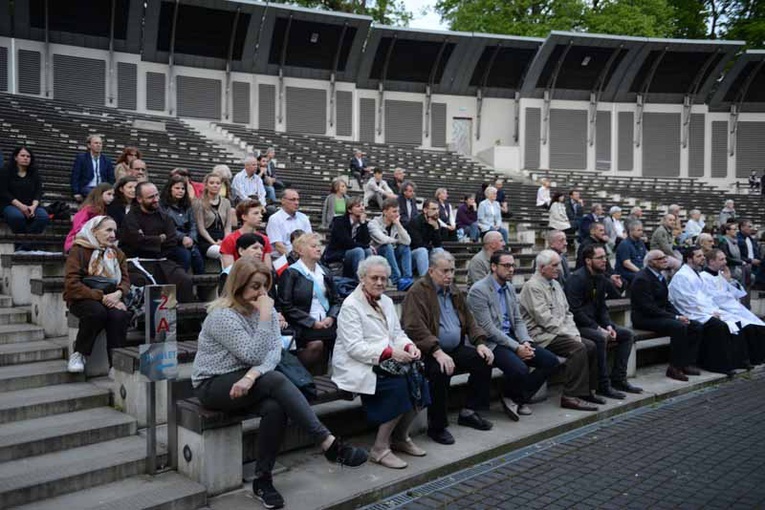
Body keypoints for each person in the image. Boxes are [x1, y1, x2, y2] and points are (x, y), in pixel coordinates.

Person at [191, 257, 367, 509]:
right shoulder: (223, 316)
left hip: (250, 381)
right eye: (255, 287)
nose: (262, 293)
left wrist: (252, 376)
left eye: (265, 286)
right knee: (273, 379)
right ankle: (328, 443)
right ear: (238, 286)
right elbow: (252, 354)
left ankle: (263, 480)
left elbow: (274, 352)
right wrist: (265, 317)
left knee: (275, 407)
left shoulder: (267, 310)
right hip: (214, 384)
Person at [332, 256, 429, 469]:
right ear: (362, 278)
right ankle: (379, 448)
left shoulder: (385, 301)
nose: (379, 283)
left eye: (384, 279)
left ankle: (401, 437)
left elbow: (397, 332)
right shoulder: (350, 306)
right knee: (399, 386)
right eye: (374, 278)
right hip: (357, 363)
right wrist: (389, 352)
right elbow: (355, 348)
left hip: (384, 358)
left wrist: (408, 346)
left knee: (419, 380)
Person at [402, 251, 494, 446]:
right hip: (427, 351)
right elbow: (413, 327)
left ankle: (470, 411)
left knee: (483, 360)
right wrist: (437, 351)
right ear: (431, 271)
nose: (449, 275)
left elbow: (470, 320)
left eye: (452, 270)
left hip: (454, 348)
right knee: (440, 370)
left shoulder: (453, 290)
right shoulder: (418, 292)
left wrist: (480, 342)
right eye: (445, 271)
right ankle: (437, 427)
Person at [467, 251, 560, 419]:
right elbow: (488, 328)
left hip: (511, 337)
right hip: (490, 342)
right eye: (507, 266)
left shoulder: (508, 287)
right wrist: (517, 347)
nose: (511, 269)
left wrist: (525, 341)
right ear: (494, 267)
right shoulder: (478, 290)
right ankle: (515, 398)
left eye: (513, 265)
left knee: (550, 361)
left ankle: (515, 398)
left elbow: (517, 320)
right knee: (520, 368)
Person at [519, 250, 601, 412]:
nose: (559, 269)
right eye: (554, 265)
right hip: (541, 335)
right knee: (578, 348)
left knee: (591, 345)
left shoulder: (555, 284)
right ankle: (570, 396)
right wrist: (570, 335)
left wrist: (574, 333)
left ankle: (586, 392)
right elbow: (544, 319)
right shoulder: (532, 286)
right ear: (542, 268)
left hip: (559, 333)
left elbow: (567, 313)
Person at [566, 245, 642, 399]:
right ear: (588, 260)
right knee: (600, 338)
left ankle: (619, 379)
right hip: (577, 326)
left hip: (596, 324)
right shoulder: (577, 279)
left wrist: (608, 325)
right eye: (600, 258)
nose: (604, 261)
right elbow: (574, 311)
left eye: (605, 257)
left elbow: (602, 307)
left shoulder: (601, 277)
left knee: (627, 334)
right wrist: (598, 328)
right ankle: (602, 385)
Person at [63, 216, 130, 373]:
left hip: (111, 298)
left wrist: (119, 294)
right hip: (83, 298)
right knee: (96, 312)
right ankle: (79, 354)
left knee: (119, 316)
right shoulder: (78, 250)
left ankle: (116, 364)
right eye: (108, 230)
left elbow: (126, 281)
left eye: (114, 230)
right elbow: (72, 284)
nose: (113, 235)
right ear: (94, 231)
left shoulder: (117, 253)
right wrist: (101, 297)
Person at [668, 247, 748, 375]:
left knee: (733, 320)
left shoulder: (695, 273)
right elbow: (687, 301)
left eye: (703, 256)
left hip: (702, 309)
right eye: (699, 256)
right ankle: (716, 365)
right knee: (719, 326)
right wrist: (709, 313)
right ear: (689, 259)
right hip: (689, 312)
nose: (703, 258)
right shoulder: (682, 276)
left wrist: (713, 310)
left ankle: (734, 362)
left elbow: (705, 297)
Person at [630, 250, 703, 381]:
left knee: (695, 325)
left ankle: (686, 363)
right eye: (661, 258)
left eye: (665, 258)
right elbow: (648, 308)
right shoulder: (642, 278)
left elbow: (666, 302)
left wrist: (680, 315)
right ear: (651, 262)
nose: (665, 260)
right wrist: (675, 318)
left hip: (658, 315)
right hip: (644, 318)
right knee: (678, 327)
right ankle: (674, 368)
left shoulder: (660, 276)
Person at [119, 182, 195, 303]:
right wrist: (159, 239)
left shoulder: (164, 217)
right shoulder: (131, 218)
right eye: (150, 197)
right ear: (139, 199)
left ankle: (181, 319)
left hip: (162, 260)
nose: (156, 200)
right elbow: (136, 242)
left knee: (184, 280)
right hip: (137, 262)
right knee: (144, 282)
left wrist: (148, 239)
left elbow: (171, 241)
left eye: (156, 195)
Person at [278, 233, 341, 372]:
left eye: (319, 246)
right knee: (317, 344)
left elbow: (336, 300)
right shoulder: (291, 273)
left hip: (326, 323)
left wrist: (331, 317)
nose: (319, 249)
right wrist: (311, 322)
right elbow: (286, 306)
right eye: (313, 246)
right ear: (300, 250)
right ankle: (300, 375)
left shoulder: (325, 272)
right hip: (302, 325)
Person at [701, 249, 764, 366]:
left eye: (725, 259)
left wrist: (729, 280)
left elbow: (735, 292)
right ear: (711, 262)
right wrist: (727, 291)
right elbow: (713, 297)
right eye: (721, 259)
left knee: (759, 326)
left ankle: (759, 358)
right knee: (748, 327)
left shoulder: (720, 275)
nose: (725, 262)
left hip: (734, 307)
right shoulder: (703, 277)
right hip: (723, 309)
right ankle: (748, 359)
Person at [0, 146, 49, 242]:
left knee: (43, 217)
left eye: (28, 156)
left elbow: (38, 192)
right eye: (22, 155)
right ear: (15, 157)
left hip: (31, 205)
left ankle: (26, 244)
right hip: (10, 204)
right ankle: (24, 243)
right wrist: (21, 206)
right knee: (17, 217)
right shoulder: (5, 171)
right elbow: (3, 192)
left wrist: (33, 207)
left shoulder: (34, 173)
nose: (26, 158)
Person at [160, 175, 204, 275]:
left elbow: (193, 224)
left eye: (183, 189)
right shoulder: (162, 206)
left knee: (198, 259)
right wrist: (182, 238)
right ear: (170, 189)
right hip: (172, 241)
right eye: (177, 188)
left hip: (189, 241)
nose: (180, 191)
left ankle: (202, 290)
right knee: (185, 256)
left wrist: (191, 238)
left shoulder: (187, 205)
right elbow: (165, 226)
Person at [368, 198, 414, 291]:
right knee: (387, 246)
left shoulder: (395, 224)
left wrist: (398, 224)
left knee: (405, 247)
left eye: (398, 211)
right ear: (385, 212)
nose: (397, 214)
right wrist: (396, 241)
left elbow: (407, 241)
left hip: (392, 253)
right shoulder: (373, 223)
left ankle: (407, 278)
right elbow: (383, 240)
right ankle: (396, 279)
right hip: (378, 254)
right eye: (394, 211)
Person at [322, 197, 372, 280]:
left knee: (368, 251)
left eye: (363, 205)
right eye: (358, 206)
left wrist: (363, 224)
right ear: (349, 210)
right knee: (358, 250)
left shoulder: (362, 223)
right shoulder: (339, 221)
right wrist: (364, 246)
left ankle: (369, 279)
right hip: (337, 253)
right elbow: (347, 243)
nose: (362, 208)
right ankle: (360, 281)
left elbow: (367, 241)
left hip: (351, 253)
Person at [220, 200, 272, 270]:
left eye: (261, 213)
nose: (260, 216)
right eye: (256, 213)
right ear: (244, 217)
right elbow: (229, 270)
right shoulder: (230, 239)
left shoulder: (265, 239)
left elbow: (268, 268)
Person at [65, 183, 114, 252]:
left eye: (113, 195)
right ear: (99, 194)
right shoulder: (88, 209)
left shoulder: (104, 210)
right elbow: (78, 227)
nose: (112, 197)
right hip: (79, 241)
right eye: (108, 194)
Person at [193, 172, 232, 260]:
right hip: (206, 240)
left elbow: (228, 226)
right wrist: (214, 243)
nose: (215, 185)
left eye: (218, 183)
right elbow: (201, 229)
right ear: (206, 185)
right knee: (224, 253)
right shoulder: (199, 203)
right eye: (212, 183)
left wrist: (225, 241)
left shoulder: (226, 202)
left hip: (222, 239)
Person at [266, 189, 312, 256]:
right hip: (282, 259)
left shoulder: (303, 218)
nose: (297, 203)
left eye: (298, 200)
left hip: (302, 257)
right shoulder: (274, 219)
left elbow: (309, 240)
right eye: (293, 200)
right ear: (283, 201)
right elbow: (278, 245)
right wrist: (294, 259)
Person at [71, 135, 115, 202]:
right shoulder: (82, 158)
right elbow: (75, 176)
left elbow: (111, 177)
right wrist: (76, 192)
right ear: (89, 145)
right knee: (94, 194)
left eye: (100, 143)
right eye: (96, 143)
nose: (98, 145)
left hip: (102, 187)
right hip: (87, 187)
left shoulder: (106, 160)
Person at [408, 199, 444, 277]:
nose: (437, 211)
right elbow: (418, 244)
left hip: (426, 251)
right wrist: (430, 247)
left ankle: (439, 278)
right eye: (434, 209)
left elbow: (438, 244)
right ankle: (425, 281)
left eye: (438, 209)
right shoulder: (415, 221)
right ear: (425, 210)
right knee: (422, 251)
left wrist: (436, 228)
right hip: (413, 255)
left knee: (439, 250)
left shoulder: (436, 222)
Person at [738, 220, 763, 287]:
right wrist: (750, 261)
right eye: (749, 226)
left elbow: (756, 252)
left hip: (754, 266)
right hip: (743, 266)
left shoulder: (750, 239)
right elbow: (738, 256)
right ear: (742, 227)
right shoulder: (738, 239)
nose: (751, 228)